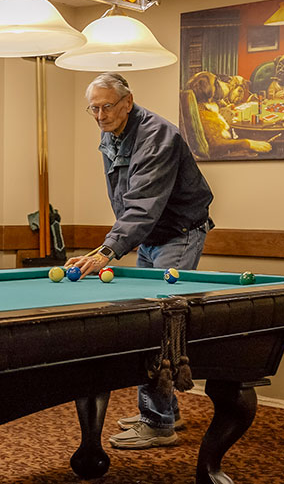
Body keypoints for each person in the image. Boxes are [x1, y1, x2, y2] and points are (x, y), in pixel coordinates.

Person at [65, 73, 214, 450]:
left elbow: (143, 204)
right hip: (148, 236)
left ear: (128, 102)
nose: (99, 115)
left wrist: (108, 250)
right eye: (93, 108)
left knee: (158, 326)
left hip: (178, 233)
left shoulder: (157, 136)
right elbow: (124, 200)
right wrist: (116, 243)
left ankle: (158, 421)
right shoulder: (111, 132)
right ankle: (165, 410)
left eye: (107, 106)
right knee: (145, 325)